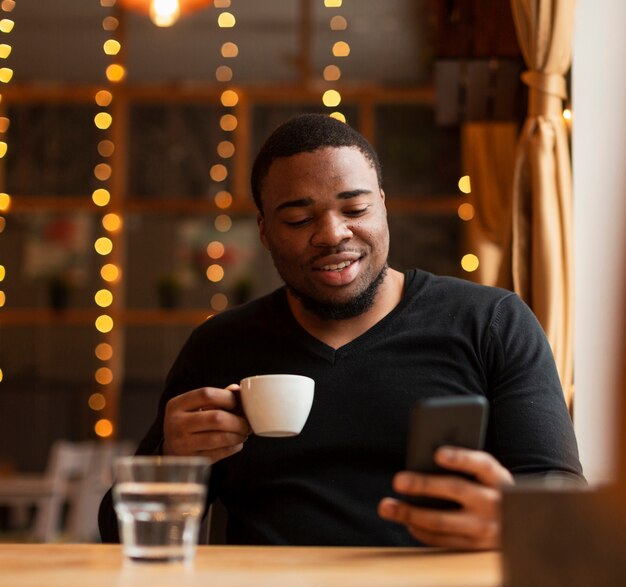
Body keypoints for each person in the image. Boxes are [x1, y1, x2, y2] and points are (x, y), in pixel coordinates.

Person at [98, 113, 584, 549]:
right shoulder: (220, 345)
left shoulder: (492, 321)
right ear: (265, 231)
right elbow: (116, 534)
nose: (333, 234)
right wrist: (171, 460)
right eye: (299, 218)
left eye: (355, 210)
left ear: (383, 207)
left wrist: (510, 520)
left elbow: (564, 506)